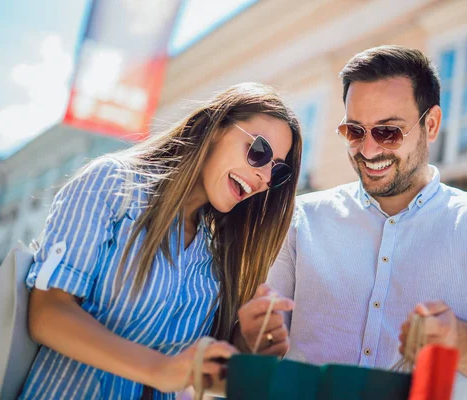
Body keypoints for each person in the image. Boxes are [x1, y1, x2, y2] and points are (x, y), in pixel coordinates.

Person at [238, 46, 467, 399]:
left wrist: (459, 340)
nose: (368, 151)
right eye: (354, 131)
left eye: (388, 132)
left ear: (430, 125)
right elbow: (252, 345)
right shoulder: (298, 219)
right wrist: (251, 338)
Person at [20, 82, 302, 399]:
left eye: (278, 173)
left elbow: (198, 377)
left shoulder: (214, 256)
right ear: (214, 128)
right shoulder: (112, 184)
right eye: (259, 152)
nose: (265, 178)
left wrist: (247, 346)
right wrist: (159, 369)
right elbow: (47, 314)